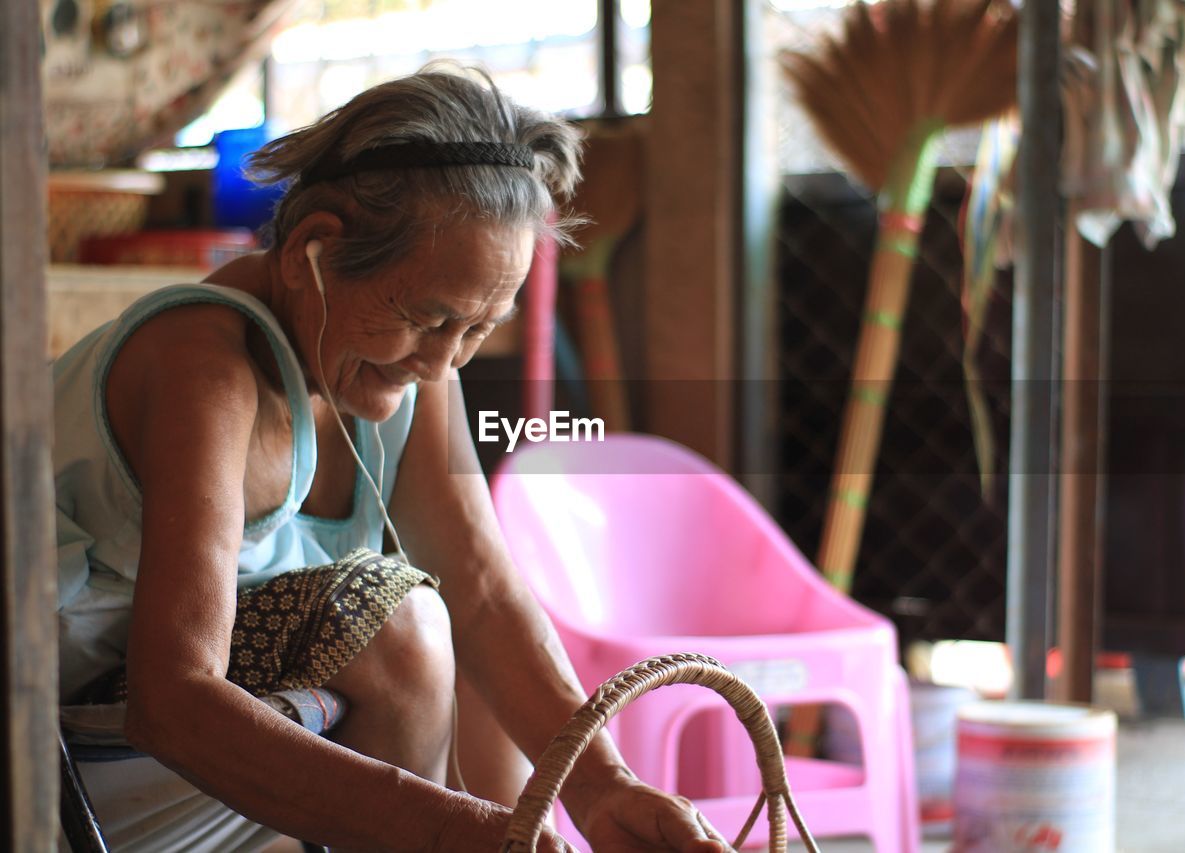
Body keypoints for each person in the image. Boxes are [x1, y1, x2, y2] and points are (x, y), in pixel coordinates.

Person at [54, 62, 727, 852]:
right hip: (61, 735)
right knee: (399, 623)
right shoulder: (204, 363)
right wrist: (445, 828)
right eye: (425, 317)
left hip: (172, 722)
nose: (443, 362)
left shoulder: (404, 369)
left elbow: (484, 591)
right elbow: (172, 699)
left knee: (472, 650)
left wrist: (603, 785)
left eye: (476, 330)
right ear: (314, 250)